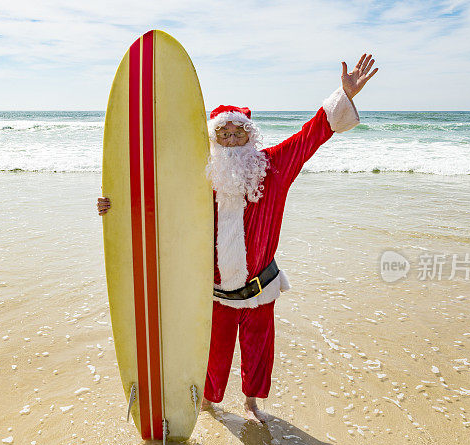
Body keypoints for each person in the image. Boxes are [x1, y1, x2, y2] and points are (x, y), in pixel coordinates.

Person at [98, 54, 378, 423]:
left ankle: (250, 403)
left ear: (251, 134)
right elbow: (161, 205)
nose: (231, 140)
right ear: (214, 139)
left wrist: (343, 94)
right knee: (213, 351)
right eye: (223, 134)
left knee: (258, 349)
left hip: (261, 285)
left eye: (238, 133)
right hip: (214, 289)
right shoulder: (202, 178)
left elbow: (311, 134)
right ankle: (209, 401)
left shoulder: (274, 166)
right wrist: (114, 206)